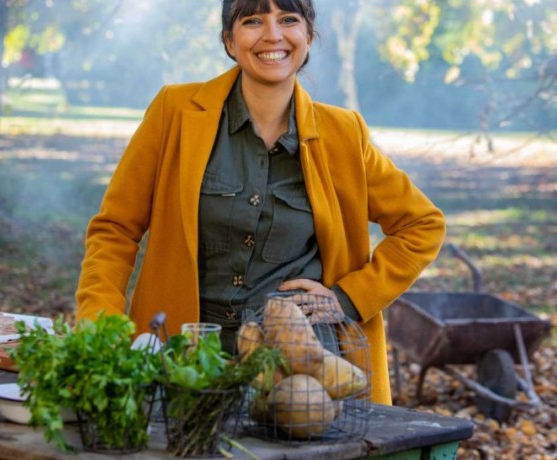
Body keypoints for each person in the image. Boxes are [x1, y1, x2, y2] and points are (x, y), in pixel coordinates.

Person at [76, 0, 445, 405]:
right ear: (229, 41)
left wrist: (349, 298)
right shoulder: (174, 112)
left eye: (288, 20)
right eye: (253, 20)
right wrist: (100, 328)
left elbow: (422, 225)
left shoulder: (344, 133)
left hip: (302, 373)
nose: (273, 35)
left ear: (308, 36)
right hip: (181, 360)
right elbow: (115, 229)